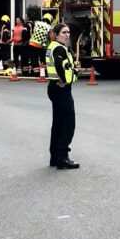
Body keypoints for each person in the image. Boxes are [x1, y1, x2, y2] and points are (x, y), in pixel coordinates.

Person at [46, 23, 79, 169]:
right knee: (68, 124)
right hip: (61, 89)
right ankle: (63, 157)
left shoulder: (53, 47)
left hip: (54, 87)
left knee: (58, 124)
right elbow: (61, 67)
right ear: (57, 34)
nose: (67, 35)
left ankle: (55, 157)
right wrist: (67, 80)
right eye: (64, 32)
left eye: (68, 32)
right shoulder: (58, 48)